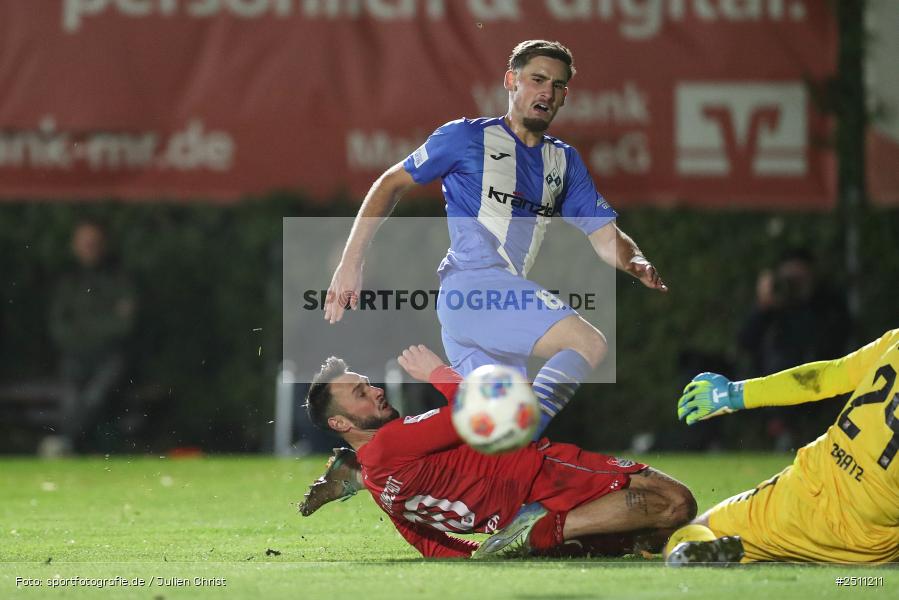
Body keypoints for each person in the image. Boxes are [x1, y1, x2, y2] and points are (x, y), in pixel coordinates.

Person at [324, 40, 667, 437]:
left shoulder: (563, 162)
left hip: (479, 307)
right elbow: (390, 183)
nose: (547, 91)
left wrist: (634, 260)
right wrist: (351, 262)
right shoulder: (465, 138)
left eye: (557, 85)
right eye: (537, 79)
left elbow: (605, 236)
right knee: (586, 345)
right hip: (475, 287)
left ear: (564, 97)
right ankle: (528, 424)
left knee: (498, 439)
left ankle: (372, 466)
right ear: (511, 81)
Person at [303, 344, 695, 559]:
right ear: (340, 423)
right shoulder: (392, 440)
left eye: (368, 384)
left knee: (656, 535)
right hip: (540, 475)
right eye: (361, 393)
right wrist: (437, 372)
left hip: (512, 512)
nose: (376, 390)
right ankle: (538, 532)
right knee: (677, 503)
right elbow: (479, 411)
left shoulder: (379, 485)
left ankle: (544, 536)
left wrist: (485, 554)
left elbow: (432, 547)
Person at [666, 328, 899, 564]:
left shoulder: (895, 341)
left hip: (802, 498)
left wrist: (733, 394)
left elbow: (824, 378)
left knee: (682, 541)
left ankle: (730, 547)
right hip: (874, 545)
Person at [737, 247, 852, 448]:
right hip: (776, 375)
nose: (793, 284)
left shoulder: (826, 302)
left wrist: (808, 299)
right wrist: (763, 306)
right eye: (789, 279)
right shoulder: (775, 306)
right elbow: (745, 341)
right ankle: (781, 432)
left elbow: (839, 336)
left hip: (820, 374)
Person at [48, 219, 136, 453]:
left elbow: (124, 325)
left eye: (93, 242)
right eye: (84, 243)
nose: (89, 248)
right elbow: (59, 327)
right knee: (71, 400)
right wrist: (101, 324)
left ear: (103, 245)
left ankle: (66, 444)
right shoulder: (67, 282)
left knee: (95, 397)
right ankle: (73, 446)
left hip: (110, 357)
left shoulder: (119, 279)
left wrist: (84, 327)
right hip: (75, 356)